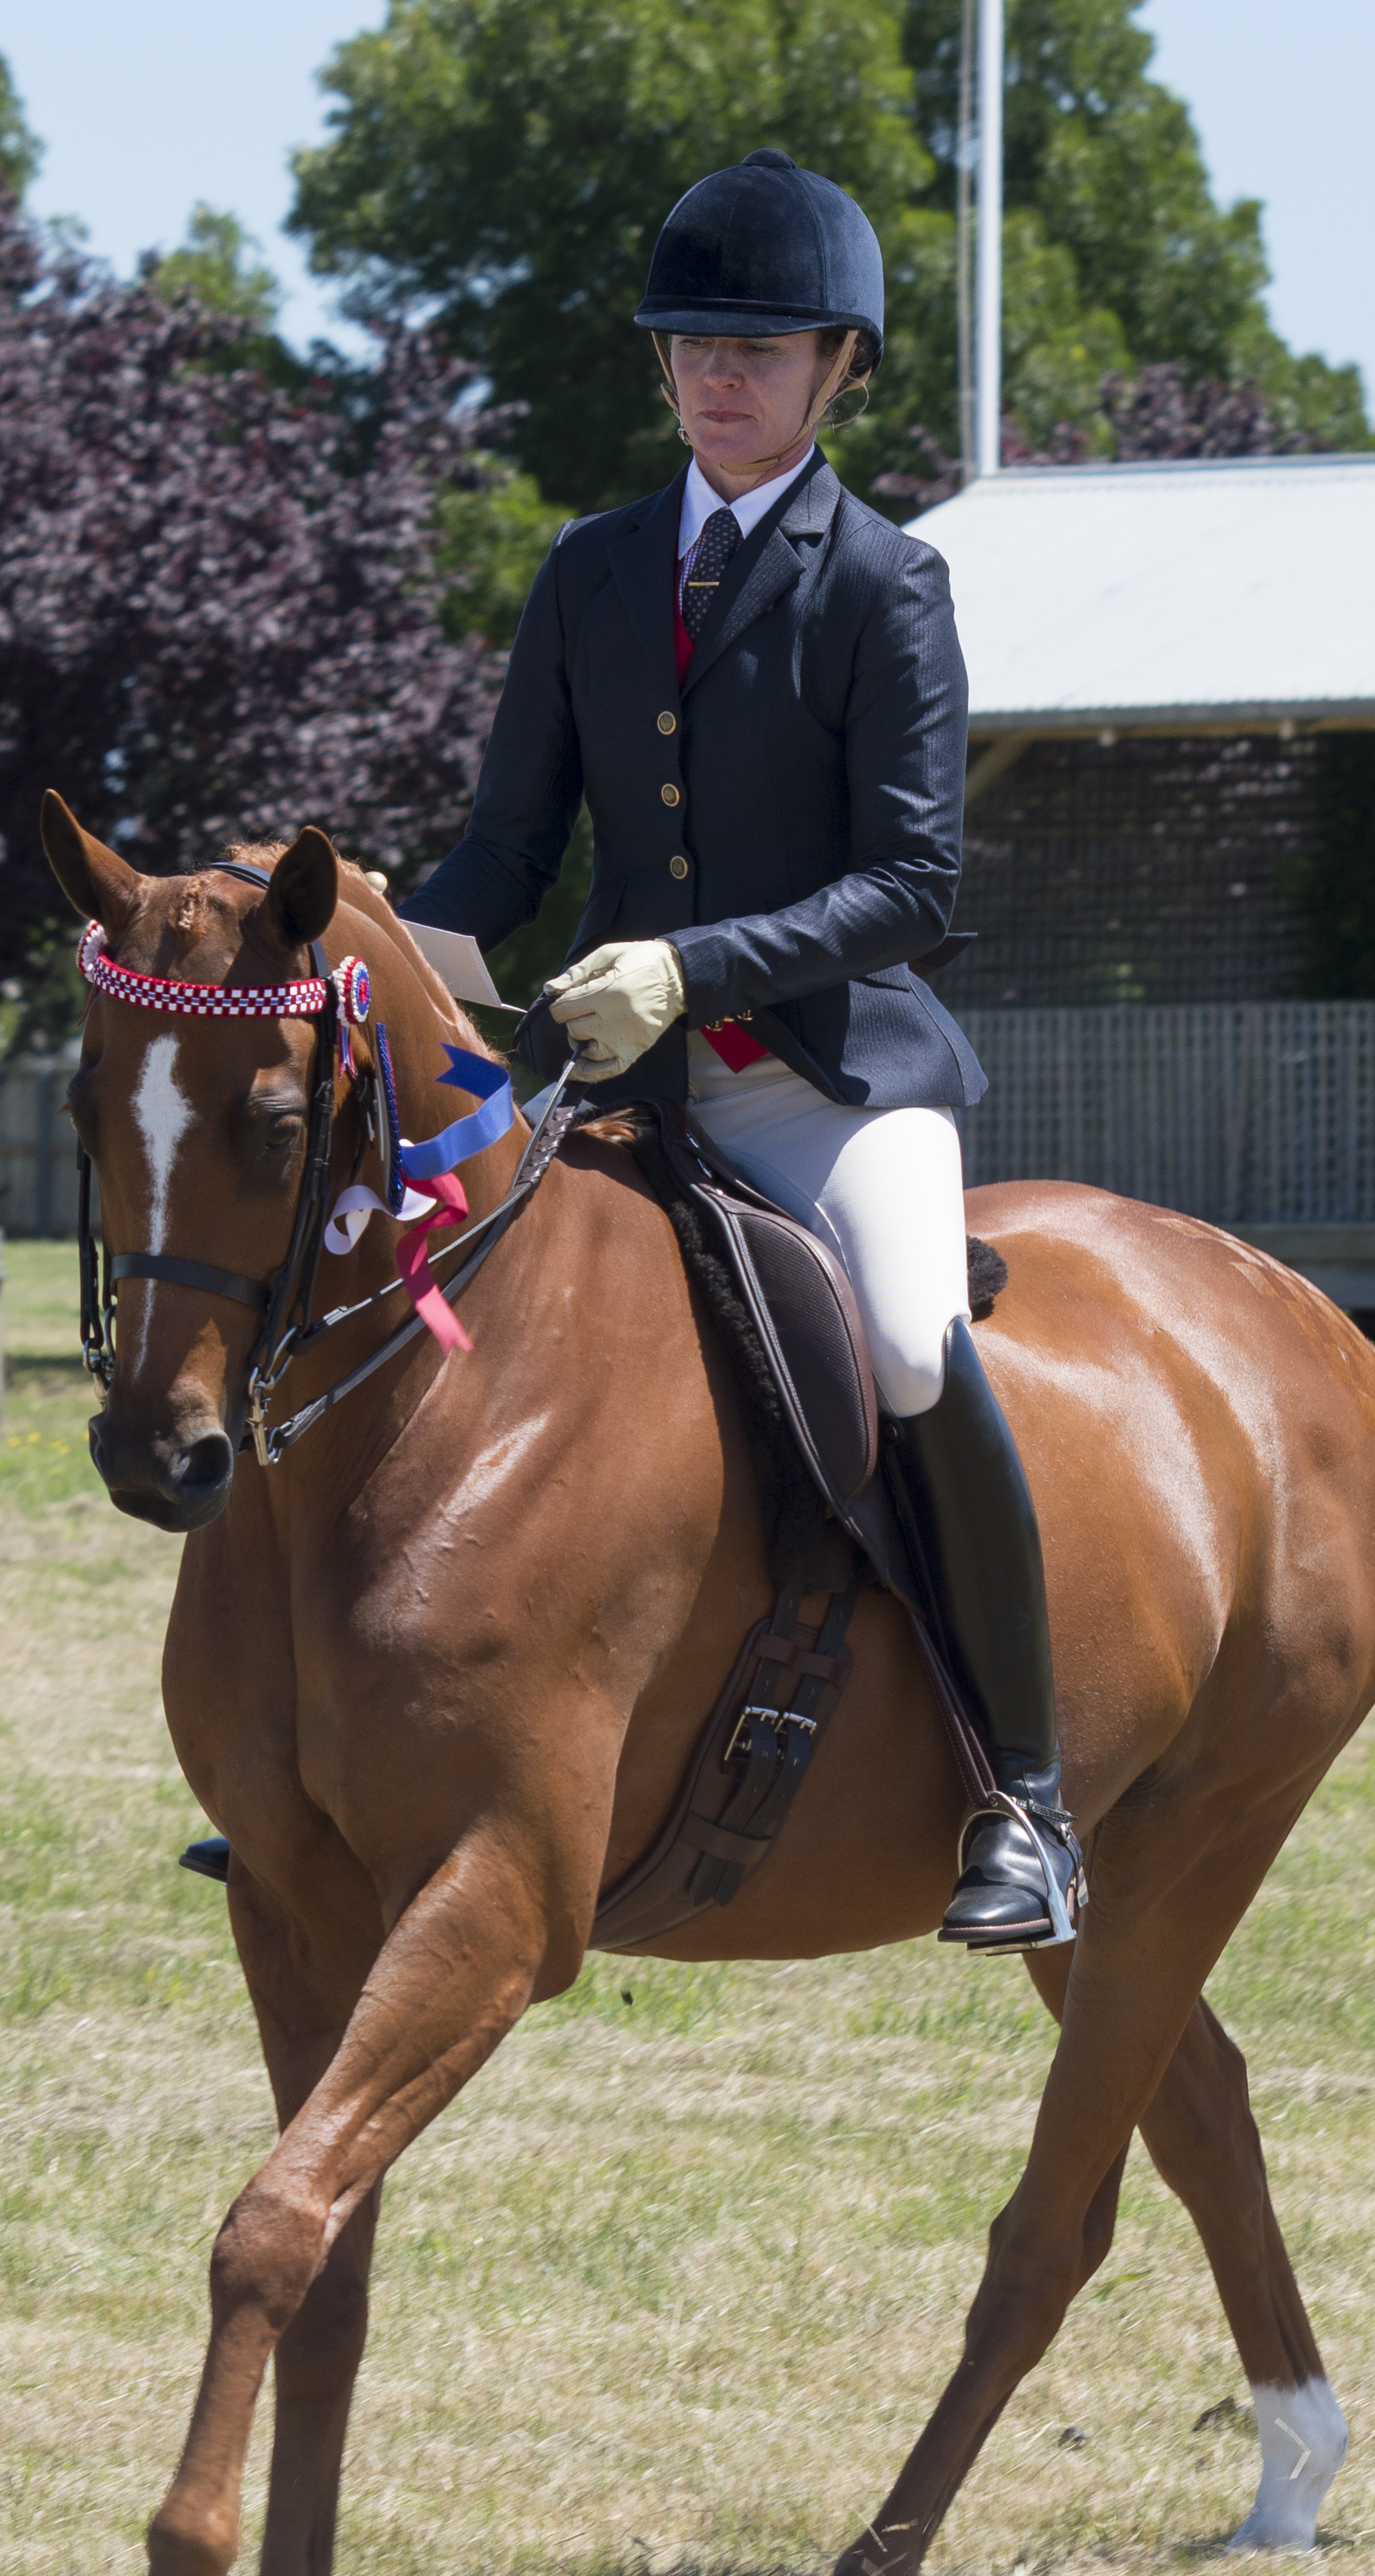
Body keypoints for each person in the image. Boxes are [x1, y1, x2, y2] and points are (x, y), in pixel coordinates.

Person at [382, 147, 1078, 1954]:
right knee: (417, 1288)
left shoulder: (886, 584)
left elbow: (914, 884)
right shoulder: (593, 571)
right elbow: (507, 851)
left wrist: (688, 970)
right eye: (692, 344)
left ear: (840, 366)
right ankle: (369, 1764)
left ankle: (1025, 1797)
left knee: (912, 1345)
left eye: (758, 348)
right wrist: (379, 940)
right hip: (621, 1086)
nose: (717, 374)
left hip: (827, 1083)